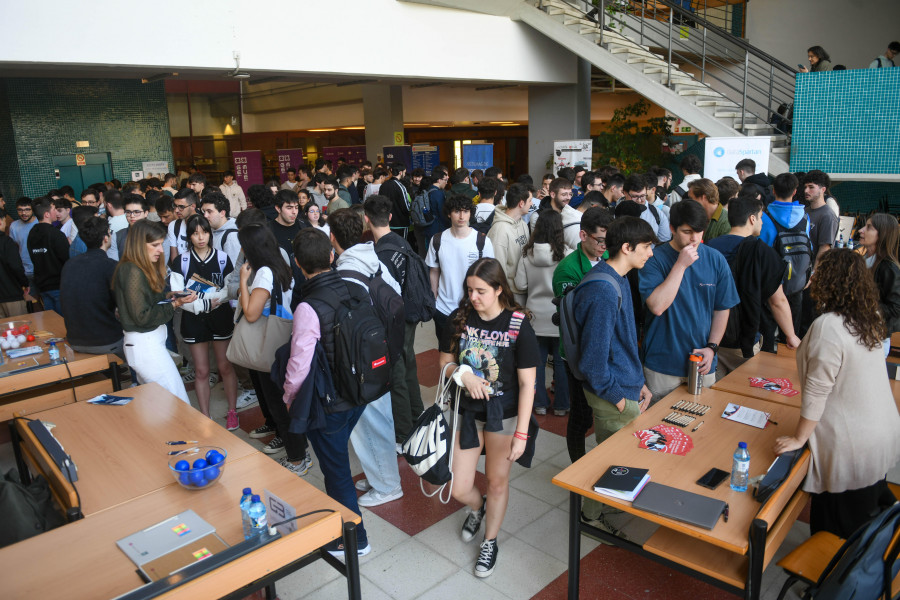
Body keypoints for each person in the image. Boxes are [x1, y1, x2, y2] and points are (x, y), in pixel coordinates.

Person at [774, 250, 900, 538]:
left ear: (829, 280)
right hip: (879, 433)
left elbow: (818, 392)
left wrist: (799, 438)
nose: (813, 276)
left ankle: (834, 579)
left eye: (819, 272)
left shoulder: (828, 326)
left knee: (838, 530)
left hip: (852, 445)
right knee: (865, 514)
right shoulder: (867, 317)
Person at [439, 258, 538, 578]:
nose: (473, 297)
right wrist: (463, 375)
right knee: (459, 485)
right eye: (469, 290)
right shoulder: (460, 319)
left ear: (498, 290)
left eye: (481, 291)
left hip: (504, 416)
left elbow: (527, 384)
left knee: (497, 482)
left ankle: (490, 541)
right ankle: (476, 507)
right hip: (466, 412)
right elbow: (444, 363)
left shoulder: (518, 325)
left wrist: (522, 432)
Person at [284, 227, 372, 557]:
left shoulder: (308, 307)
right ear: (332, 256)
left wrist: (290, 398)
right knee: (338, 460)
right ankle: (350, 530)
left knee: (337, 475)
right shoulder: (354, 285)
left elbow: (299, 365)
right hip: (359, 392)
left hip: (331, 402)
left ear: (297, 263)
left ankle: (355, 538)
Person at [574, 216, 656, 537]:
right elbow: (594, 361)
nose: (650, 253)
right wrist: (621, 399)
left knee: (616, 457)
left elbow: (622, 343)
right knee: (610, 460)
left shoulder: (618, 278)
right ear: (626, 247)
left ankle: (603, 502)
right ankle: (591, 516)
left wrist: (640, 384)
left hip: (625, 384)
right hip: (612, 392)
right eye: (647, 247)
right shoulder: (604, 289)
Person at [328, 209, 404, 508]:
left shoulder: (346, 273)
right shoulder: (374, 261)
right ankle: (380, 476)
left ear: (332, 238)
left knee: (368, 420)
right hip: (381, 349)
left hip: (363, 357)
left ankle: (387, 486)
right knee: (379, 415)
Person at [639, 199, 739, 400]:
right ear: (672, 229)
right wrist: (681, 266)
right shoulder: (654, 258)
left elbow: (722, 308)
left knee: (701, 425)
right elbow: (657, 306)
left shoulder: (715, 258)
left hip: (703, 361)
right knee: (659, 426)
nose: (694, 238)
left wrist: (712, 347)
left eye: (699, 231)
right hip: (663, 363)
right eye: (687, 232)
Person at [237, 223, 311, 471]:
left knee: (278, 406)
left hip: (268, 345)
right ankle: (300, 451)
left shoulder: (263, 273)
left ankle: (297, 459)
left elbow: (250, 314)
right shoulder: (280, 265)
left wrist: (243, 281)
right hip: (283, 339)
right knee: (284, 401)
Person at [706, 195, 801, 376]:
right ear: (752, 219)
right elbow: (777, 301)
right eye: (761, 217)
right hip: (743, 342)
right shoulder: (763, 252)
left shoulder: (709, 247)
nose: (762, 222)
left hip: (709, 339)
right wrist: (790, 335)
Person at [365, 195, 427, 445]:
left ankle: (404, 433)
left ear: (366, 219)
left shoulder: (379, 253)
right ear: (390, 217)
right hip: (410, 315)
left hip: (394, 320)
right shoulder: (403, 243)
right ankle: (417, 414)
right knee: (409, 364)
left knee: (397, 373)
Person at [553, 207, 613, 462]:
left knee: (603, 410)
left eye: (607, 241)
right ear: (583, 236)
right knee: (580, 414)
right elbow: (572, 318)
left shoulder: (610, 256)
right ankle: (576, 464)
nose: (604, 247)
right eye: (599, 240)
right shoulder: (567, 270)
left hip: (606, 348)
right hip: (577, 353)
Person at [112, 220, 197, 402]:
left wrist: (169, 296)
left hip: (146, 346)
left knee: (159, 406)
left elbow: (143, 303)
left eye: (161, 244)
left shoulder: (133, 267)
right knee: (178, 403)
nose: (161, 250)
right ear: (139, 245)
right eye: (155, 245)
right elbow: (143, 316)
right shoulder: (132, 270)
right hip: (145, 346)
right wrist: (175, 304)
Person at [169, 214, 238, 428]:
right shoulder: (181, 260)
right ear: (189, 236)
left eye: (205, 232)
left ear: (210, 233)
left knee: (225, 366)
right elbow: (179, 296)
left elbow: (229, 290)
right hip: (193, 319)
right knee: (201, 370)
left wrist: (204, 298)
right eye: (195, 233)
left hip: (221, 317)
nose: (201, 237)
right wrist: (206, 303)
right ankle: (205, 416)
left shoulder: (223, 258)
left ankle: (232, 412)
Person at [514, 209, 572, 416]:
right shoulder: (567, 254)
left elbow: (520, 284)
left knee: (535, 364)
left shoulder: (526, 253)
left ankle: (538, 403)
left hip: (534, 317)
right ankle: (562, 405)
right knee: (561, 364)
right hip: (560, 317)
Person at [426, 194, 495, 343]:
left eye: (466, 211)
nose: (462, 216)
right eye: (457, 211)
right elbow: (434, 271)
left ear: (471, 213)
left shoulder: (482, 241)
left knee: (471, 355)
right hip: (443, 308)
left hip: (473, 308)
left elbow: (490, 276)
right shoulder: (437, 240)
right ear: (449, 214)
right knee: (445, 354)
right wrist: (434, 299)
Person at [59, 216, 124, 358]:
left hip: (75, 339)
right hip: (106, 341)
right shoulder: (110, 266)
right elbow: (124, 305)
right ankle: (133, 380)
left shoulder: (70, 264)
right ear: (106, 237)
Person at [858, 213, 900, 356]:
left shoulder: (888, 268)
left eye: (869, 228)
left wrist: (865, 306)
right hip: (858, 333)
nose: (861, 230)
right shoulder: (863, 260)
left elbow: (896, 308)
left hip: (875, 339)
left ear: (882, 234)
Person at [488, 183, 531, 304]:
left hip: (524, 290)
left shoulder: (522, 223)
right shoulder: (499, 230)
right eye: (530, 201)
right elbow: (498, 269)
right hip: (510, 294)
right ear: (521, 203)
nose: (532, 204)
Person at [27, 197, 69, 312]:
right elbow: (67, 259)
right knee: (62, 323)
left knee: (53, 322)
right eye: (54, 209)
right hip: (58, 285)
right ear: (47, 214)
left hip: (42, 286)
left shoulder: (32, 233)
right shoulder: (56, 234)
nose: (56, 211)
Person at [623, 174, 670, 243]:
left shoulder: (657, 214)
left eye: (642, 196)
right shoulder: (613, 212)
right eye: (634, 196)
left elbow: (664, 243)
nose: (639, 200)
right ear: (625, 193)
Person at [0, 210, 28, 318]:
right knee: (19, 331)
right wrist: (25, 283)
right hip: (11, 295)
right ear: (1, 221)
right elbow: (16, 267)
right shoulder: (7, 242)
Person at [9, 197, 37, 293]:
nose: (23, 213)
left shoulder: (39, 223)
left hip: (41, 269)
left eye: (27, 210)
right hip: (25, 270)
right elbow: (13, 248)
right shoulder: (14, 226)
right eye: (20, 210)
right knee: (33, 301)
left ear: (33, 209)